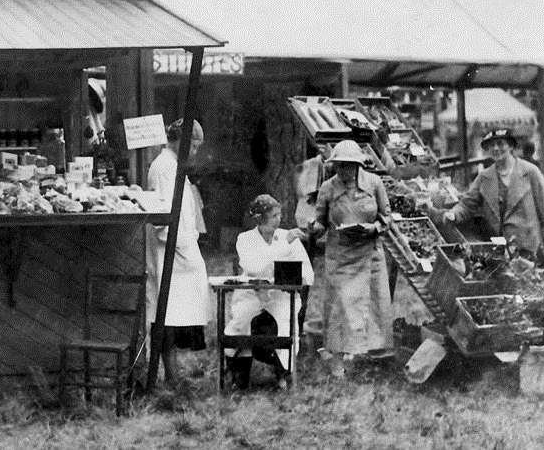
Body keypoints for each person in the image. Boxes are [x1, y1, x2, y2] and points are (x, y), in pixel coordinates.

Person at [440, 128, 544, 283]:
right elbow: (467, 204)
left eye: (501, 143)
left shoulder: (530, 172)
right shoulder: (484, 178)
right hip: (503, 253)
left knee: (536, 290)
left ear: (510, 146)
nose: (496, 148)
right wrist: (454, 214)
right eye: (491, 145)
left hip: (531, 249)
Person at [311, 139, 394, 378]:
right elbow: (320, 221)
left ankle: (368, 356)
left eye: (348, 166)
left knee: (372, 307)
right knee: (340, 308)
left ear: (358, 165)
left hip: (369, 253)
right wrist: (314, 228)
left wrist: (374, 228)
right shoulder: (328, 188)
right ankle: (337, 358)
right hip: (340, 255)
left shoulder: (374, 183)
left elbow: (386, 216)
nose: (343, 171)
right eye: (338, 166)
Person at [224, 195, 314, 390]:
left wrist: (296, 278)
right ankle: (238, 374)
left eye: (279, 214)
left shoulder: (288, 237)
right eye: (273, 216)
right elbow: (254, 267)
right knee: (241, 322)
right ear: (260, 218)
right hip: (251, 294)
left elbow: (308, 273)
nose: (279, 219)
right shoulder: (245, 239)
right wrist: (284, 246)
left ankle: (283, 372)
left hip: (281, 296)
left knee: (285, 323)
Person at [146, 118, 209, 387]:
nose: (195, 152)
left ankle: (174, 372)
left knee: (175, 312)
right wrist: (182, 244)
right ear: (180, 142)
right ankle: (169, 373)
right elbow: (164, 213)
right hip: (169, 247)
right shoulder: (164, 167)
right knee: (165, 312)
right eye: (193, 146)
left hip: (180, 244)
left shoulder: (174, 166)